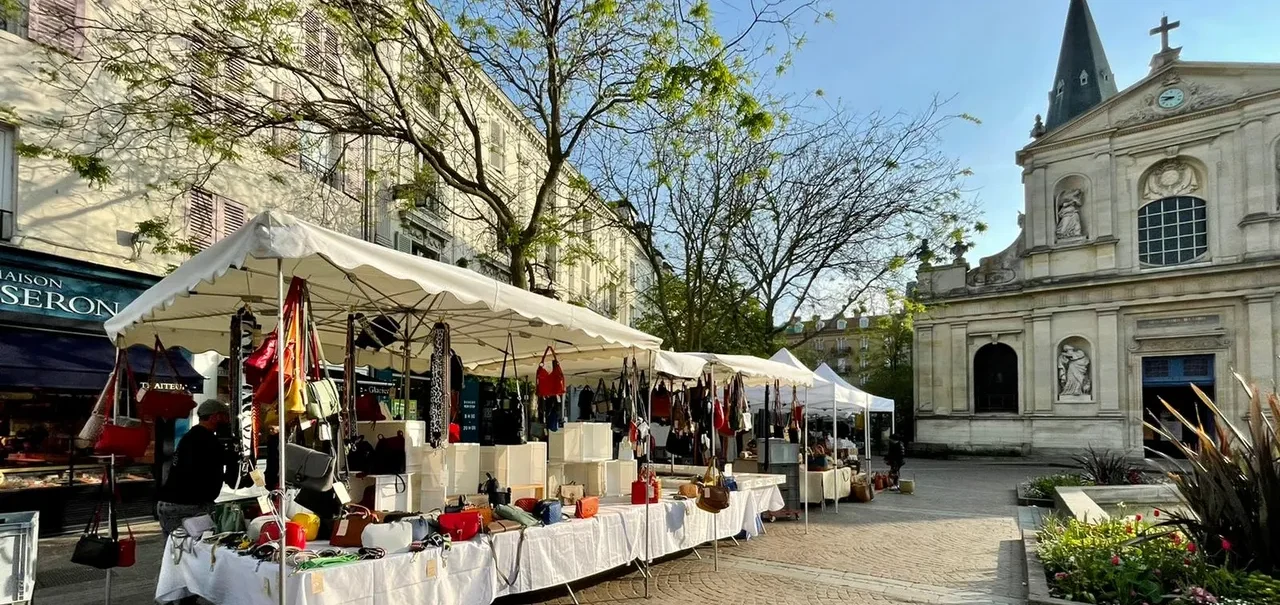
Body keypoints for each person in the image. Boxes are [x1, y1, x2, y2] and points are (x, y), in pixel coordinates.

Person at [156, 400, 231, 539]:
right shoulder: (208, 440)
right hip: (188, 506)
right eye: (225, 417)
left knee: (175, 549)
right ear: (215, 416)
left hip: (168, 503)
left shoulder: (190, 436)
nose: (228, 421)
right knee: (198, 548)